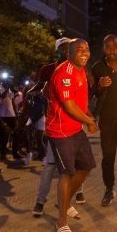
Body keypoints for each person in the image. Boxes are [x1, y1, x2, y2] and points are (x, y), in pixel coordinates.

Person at [46, 38, 98, 232]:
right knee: (67, 173)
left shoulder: (81, 70)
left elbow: (80, 101)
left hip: (75, 128)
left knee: (85, 166)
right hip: (60, 131)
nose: (84, 53)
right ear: (69, 53)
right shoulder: (63, 73)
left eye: (87, 49)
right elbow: (68, 105)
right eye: (79, 50)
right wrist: (89, 121)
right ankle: (61, 223)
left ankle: (65, 202)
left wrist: (88, 115)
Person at [35, 37, 86, 204]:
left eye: (69, 48)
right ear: (57, 50)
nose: (67, 51)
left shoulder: (78, 67)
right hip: (55, 124)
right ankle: (40, 201)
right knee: (50, 164)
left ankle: (78, 191)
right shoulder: (48, 69)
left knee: (77, 160)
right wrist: (36, 92)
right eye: (64, 48)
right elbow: (40, 88)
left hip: (74, 121)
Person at [91, 34, 117, 209]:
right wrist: (100, 85)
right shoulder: (97, 67)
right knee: (108, 156)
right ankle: (109, 189)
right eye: (108, 47)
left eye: (114, 46)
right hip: (107, 118)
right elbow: (93, 91)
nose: (112, 50)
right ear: (103, 49)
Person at [0, 76, 21, 160]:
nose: (9, 82)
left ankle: (15, 152)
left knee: (16, 133)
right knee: (4, 135)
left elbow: (13, 101)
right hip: (3, 115)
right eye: (7, 80)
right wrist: (7, 87)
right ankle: (2, 154)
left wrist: (16, 113)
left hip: (11, 115)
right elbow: (2, 96)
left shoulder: (10, 89)